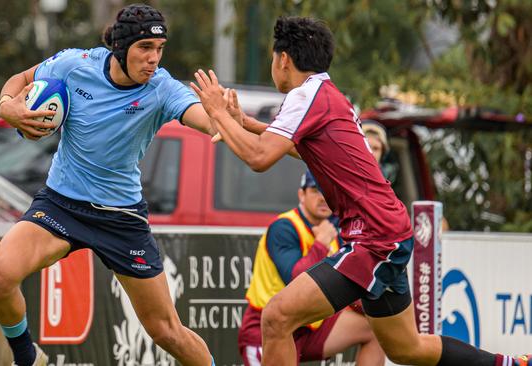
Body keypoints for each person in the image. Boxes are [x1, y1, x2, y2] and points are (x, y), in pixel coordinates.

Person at [190, 16, 529, 366]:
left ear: (283, 59)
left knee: (276, 317)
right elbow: (297, 147)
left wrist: (219, 113)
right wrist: (240, 121)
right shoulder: (325, 93)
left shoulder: (305, 95)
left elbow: (260, 157)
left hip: (374, 237)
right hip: (385, 232)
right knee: (405, 348)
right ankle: (511, 364)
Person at [0, 4, 217, 366]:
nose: (153, 59)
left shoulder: (161, 88)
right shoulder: (75, 65)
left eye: (159, 49)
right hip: (61, 205)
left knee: (166, 331)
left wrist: (225, 118)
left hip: (120, 217)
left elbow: (204, 120)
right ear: (121, 49)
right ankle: (27, 358)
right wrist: (7, 107)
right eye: (145, 49)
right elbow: (20, 79)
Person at [239, 170, 385, 366]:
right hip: (267, 330)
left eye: (328, 192)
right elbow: (295, 281)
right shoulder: (284, 227)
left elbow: (348, 284)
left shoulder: (334, 230)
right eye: (316, 190)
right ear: (302, 195)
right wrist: (321, 243)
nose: (323, 198)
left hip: (308, 328)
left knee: (376, 330)